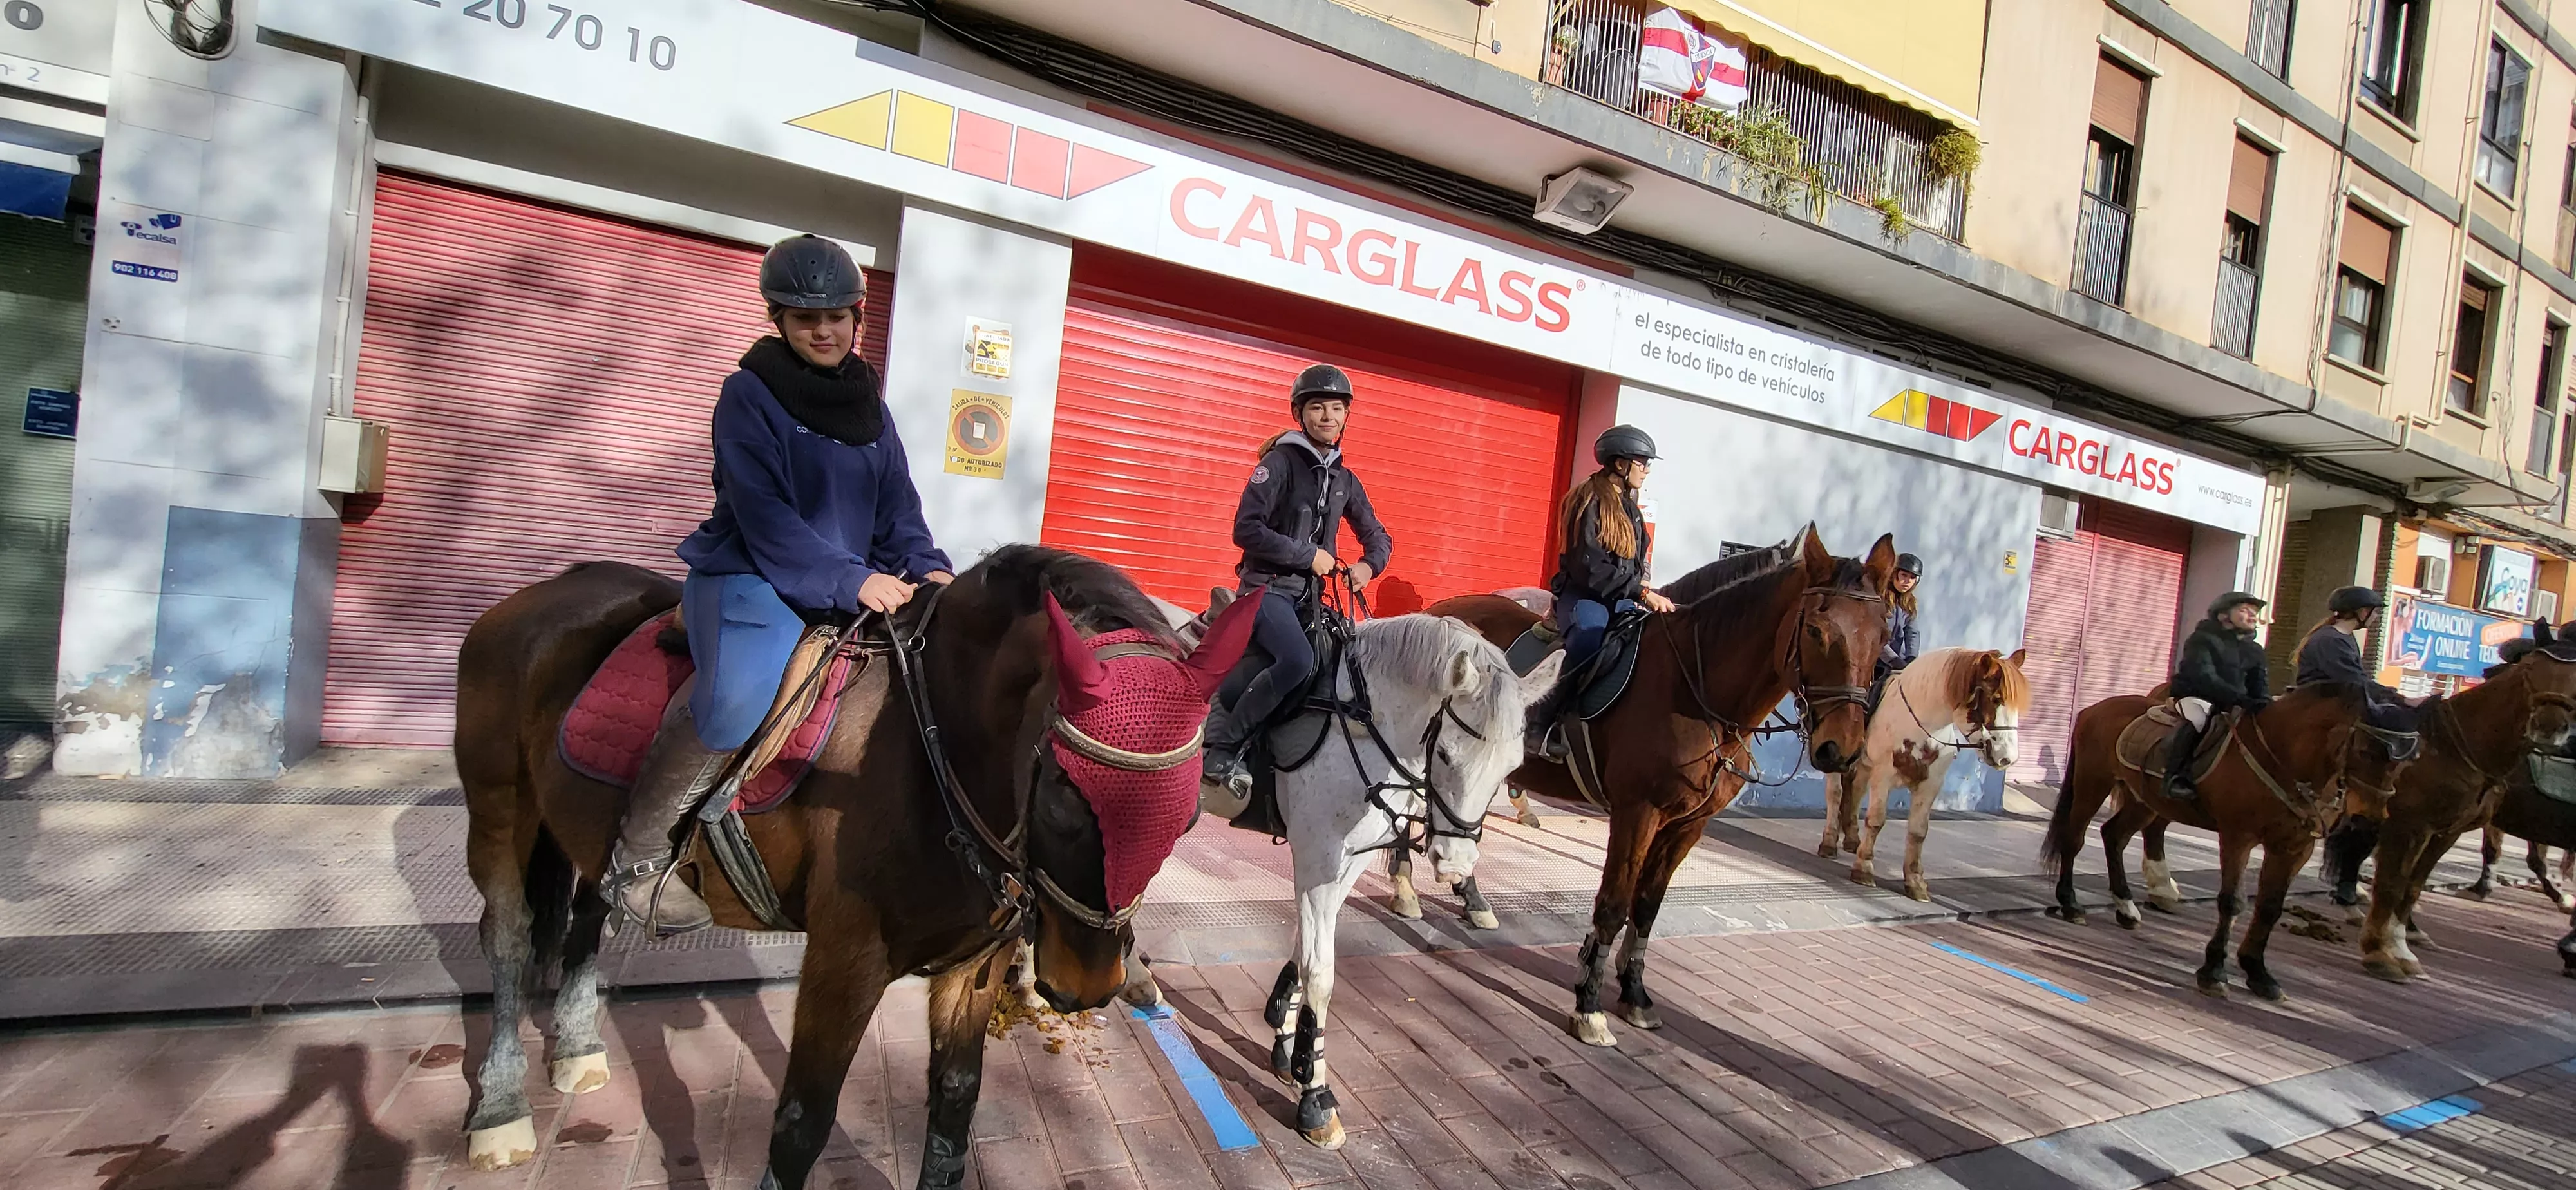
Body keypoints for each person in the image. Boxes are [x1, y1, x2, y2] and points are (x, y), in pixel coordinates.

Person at [603, 234, 953, 934]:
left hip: (848, 584)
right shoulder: (746, 395)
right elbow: (765, 515)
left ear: (858, 316)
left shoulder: (872, 410)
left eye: (834, 317)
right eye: (802, 318)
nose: (821, 331)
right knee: (737, 704)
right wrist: (851, 578)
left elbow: (896, 512)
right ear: (778, 321)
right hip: (751, 576)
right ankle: (636, 858)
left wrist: (926, 565)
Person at [1202, 364, 1394, 793]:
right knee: (1297, 660)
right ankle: (1224, 748)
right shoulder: (1279, 464)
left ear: (1347, 416)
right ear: (1299, 414)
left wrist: (1368, 566)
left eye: (1337, 409)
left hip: (1309, 597)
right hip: (1265, 589)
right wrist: (1309, 556)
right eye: (1318, 408)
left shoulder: (1345, 478)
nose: (1328, 417)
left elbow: (1376, 534)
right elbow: (1245, 530)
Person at [1524, 426, 1674, 756]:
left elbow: (1636, 560)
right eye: (1642, 463)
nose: (1647, 471)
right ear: (1620, 465)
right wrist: (1641, 593)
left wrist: (1644, 586)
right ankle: (1540, 722)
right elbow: (1589, 568)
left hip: (1620, 598)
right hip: (1585, 596)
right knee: (1590, 639)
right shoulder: (1587, 501)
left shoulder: (1631, 509)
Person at [2164, 591, 2271, 803]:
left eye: (2255, 612)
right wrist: (2239, 699)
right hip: (2197, 696)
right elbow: (2204, 677)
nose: (2252, 616)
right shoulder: (2202, 639)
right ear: (2224, 616)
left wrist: (2264, 704)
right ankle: (2175, 776)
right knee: (2200, 720)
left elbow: (2259, 684)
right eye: (2244, 610)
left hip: (2235, 701)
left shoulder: (2255, 650)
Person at [1875, 553, 1924, 700]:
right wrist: (1893, 660)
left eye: (1912, 578)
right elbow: (1877, 635)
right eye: (1904, 575)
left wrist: (1911, 658)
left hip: (1899, 663)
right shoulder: (1879, 598)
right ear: (1894, 573)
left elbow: (1913, 633)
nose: (1907, 582)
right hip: (1876, 663)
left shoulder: (1909, 603)